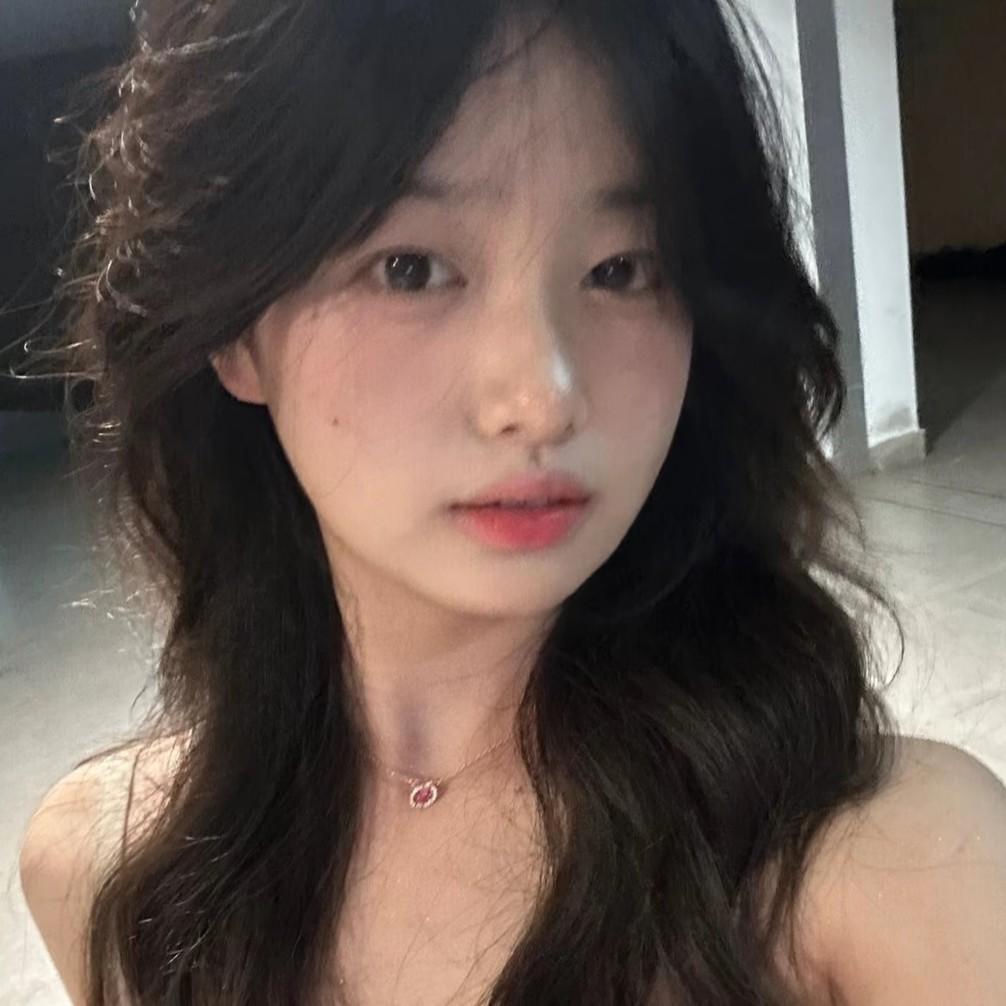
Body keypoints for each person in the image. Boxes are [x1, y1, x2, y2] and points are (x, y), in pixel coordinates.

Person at [17, 1, 1006, 1004]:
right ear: (232, 328)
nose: (542, 396)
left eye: (622, 269)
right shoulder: (110, 879)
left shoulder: (898, 881)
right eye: (409, 268)